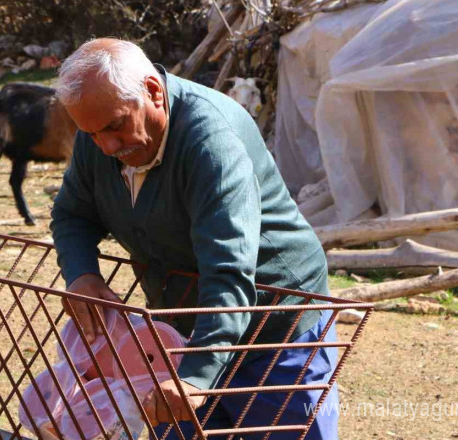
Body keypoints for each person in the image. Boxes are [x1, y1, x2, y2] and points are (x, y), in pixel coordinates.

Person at [50, 38, 338, 439]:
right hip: (181, 324)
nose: (107, 146)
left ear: (152, 92)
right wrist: (81, 273)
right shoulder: (99, 131)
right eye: (92, 133)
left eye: (115, 126)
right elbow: (72, 213)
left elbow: (230, 272)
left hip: (273, 322)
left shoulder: (210, 142)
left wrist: (196, 377)